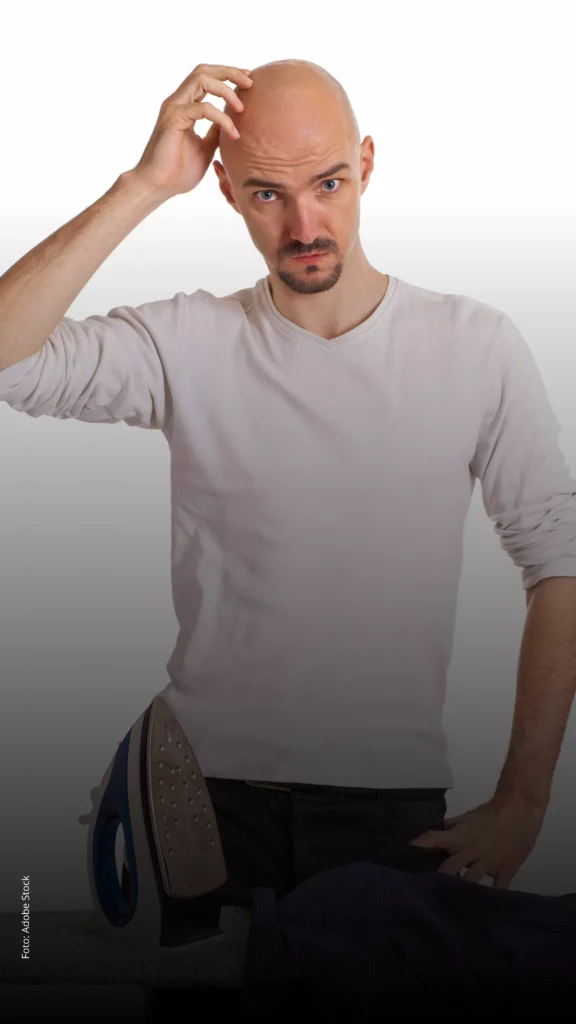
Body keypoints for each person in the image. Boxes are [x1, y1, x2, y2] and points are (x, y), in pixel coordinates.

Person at [1, 60, 576, 907]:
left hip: (390, 808)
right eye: (268, 194)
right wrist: (143, 186)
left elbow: (558, 559)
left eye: (328, 183)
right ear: (227, 193)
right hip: (198, 802)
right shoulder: (187, 340)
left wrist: (525, 802)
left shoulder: (475, 344)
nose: (305, 225)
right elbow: (8, 359)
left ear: (367, 165)